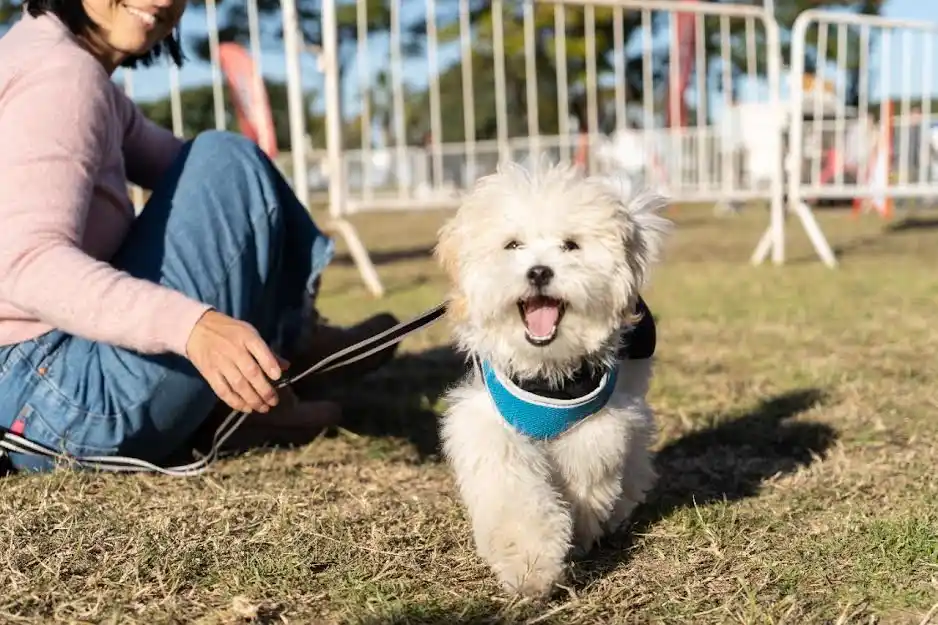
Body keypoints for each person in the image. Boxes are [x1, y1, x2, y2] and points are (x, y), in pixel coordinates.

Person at [0, 0, 401, 473]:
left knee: (227, 161)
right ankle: (289, 349)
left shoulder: (47, 55)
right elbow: (26, 264)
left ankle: (270, 364)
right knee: (227, 157)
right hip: (61, 400)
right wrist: (193, 327)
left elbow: (194, 171)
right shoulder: (62, 73)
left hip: (37, 394)